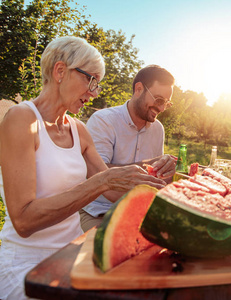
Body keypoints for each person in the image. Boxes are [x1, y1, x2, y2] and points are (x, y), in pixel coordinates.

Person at [0, 36, 166, 300]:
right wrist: (103, 182)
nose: (94, 92)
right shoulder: (21, 119)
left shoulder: (78, 130)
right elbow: (23, 220)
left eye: (97, 84)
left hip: (72, 255)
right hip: (27, 265)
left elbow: (112, 192)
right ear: (60, 71)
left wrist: (158, 182)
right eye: (90, 80)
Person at [80, 65, 177, 231]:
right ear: (139, 89)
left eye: (166, 103)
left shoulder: (158, 129)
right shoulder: (103, 121)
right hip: (98, 211)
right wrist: (148, 163)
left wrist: (165, 170)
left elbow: (155, 179)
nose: (161, 108)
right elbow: (97, 173)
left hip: (139, 212)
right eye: (158, 100)